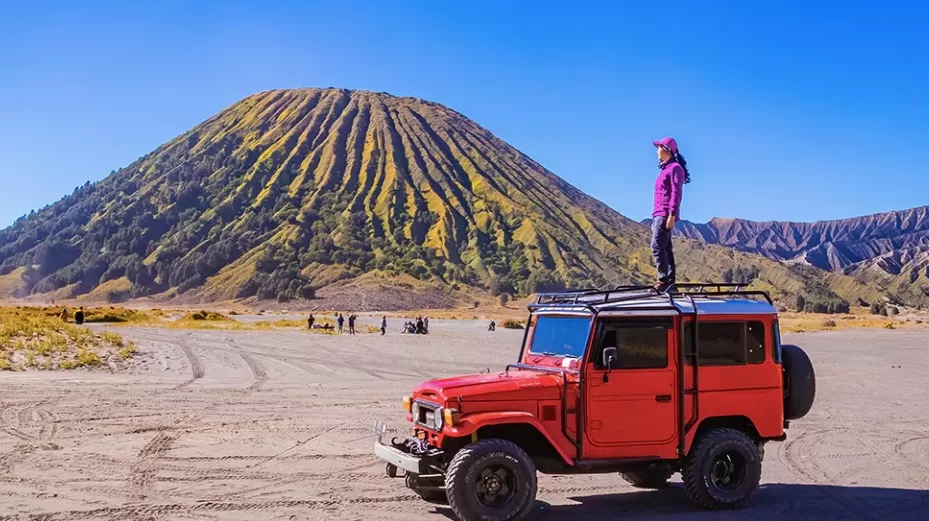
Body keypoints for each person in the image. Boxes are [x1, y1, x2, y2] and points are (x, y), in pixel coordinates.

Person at [651, 137, 691, 292]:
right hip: (658, 213)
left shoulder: (675, 169)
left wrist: (672, 214)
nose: (657, 151)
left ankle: (663, 281)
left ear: (666, 150)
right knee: (665, 247)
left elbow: (676, 192)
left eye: (659, 147)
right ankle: (670, 283)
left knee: (657, 246)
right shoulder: (665, 170)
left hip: (665, 213)